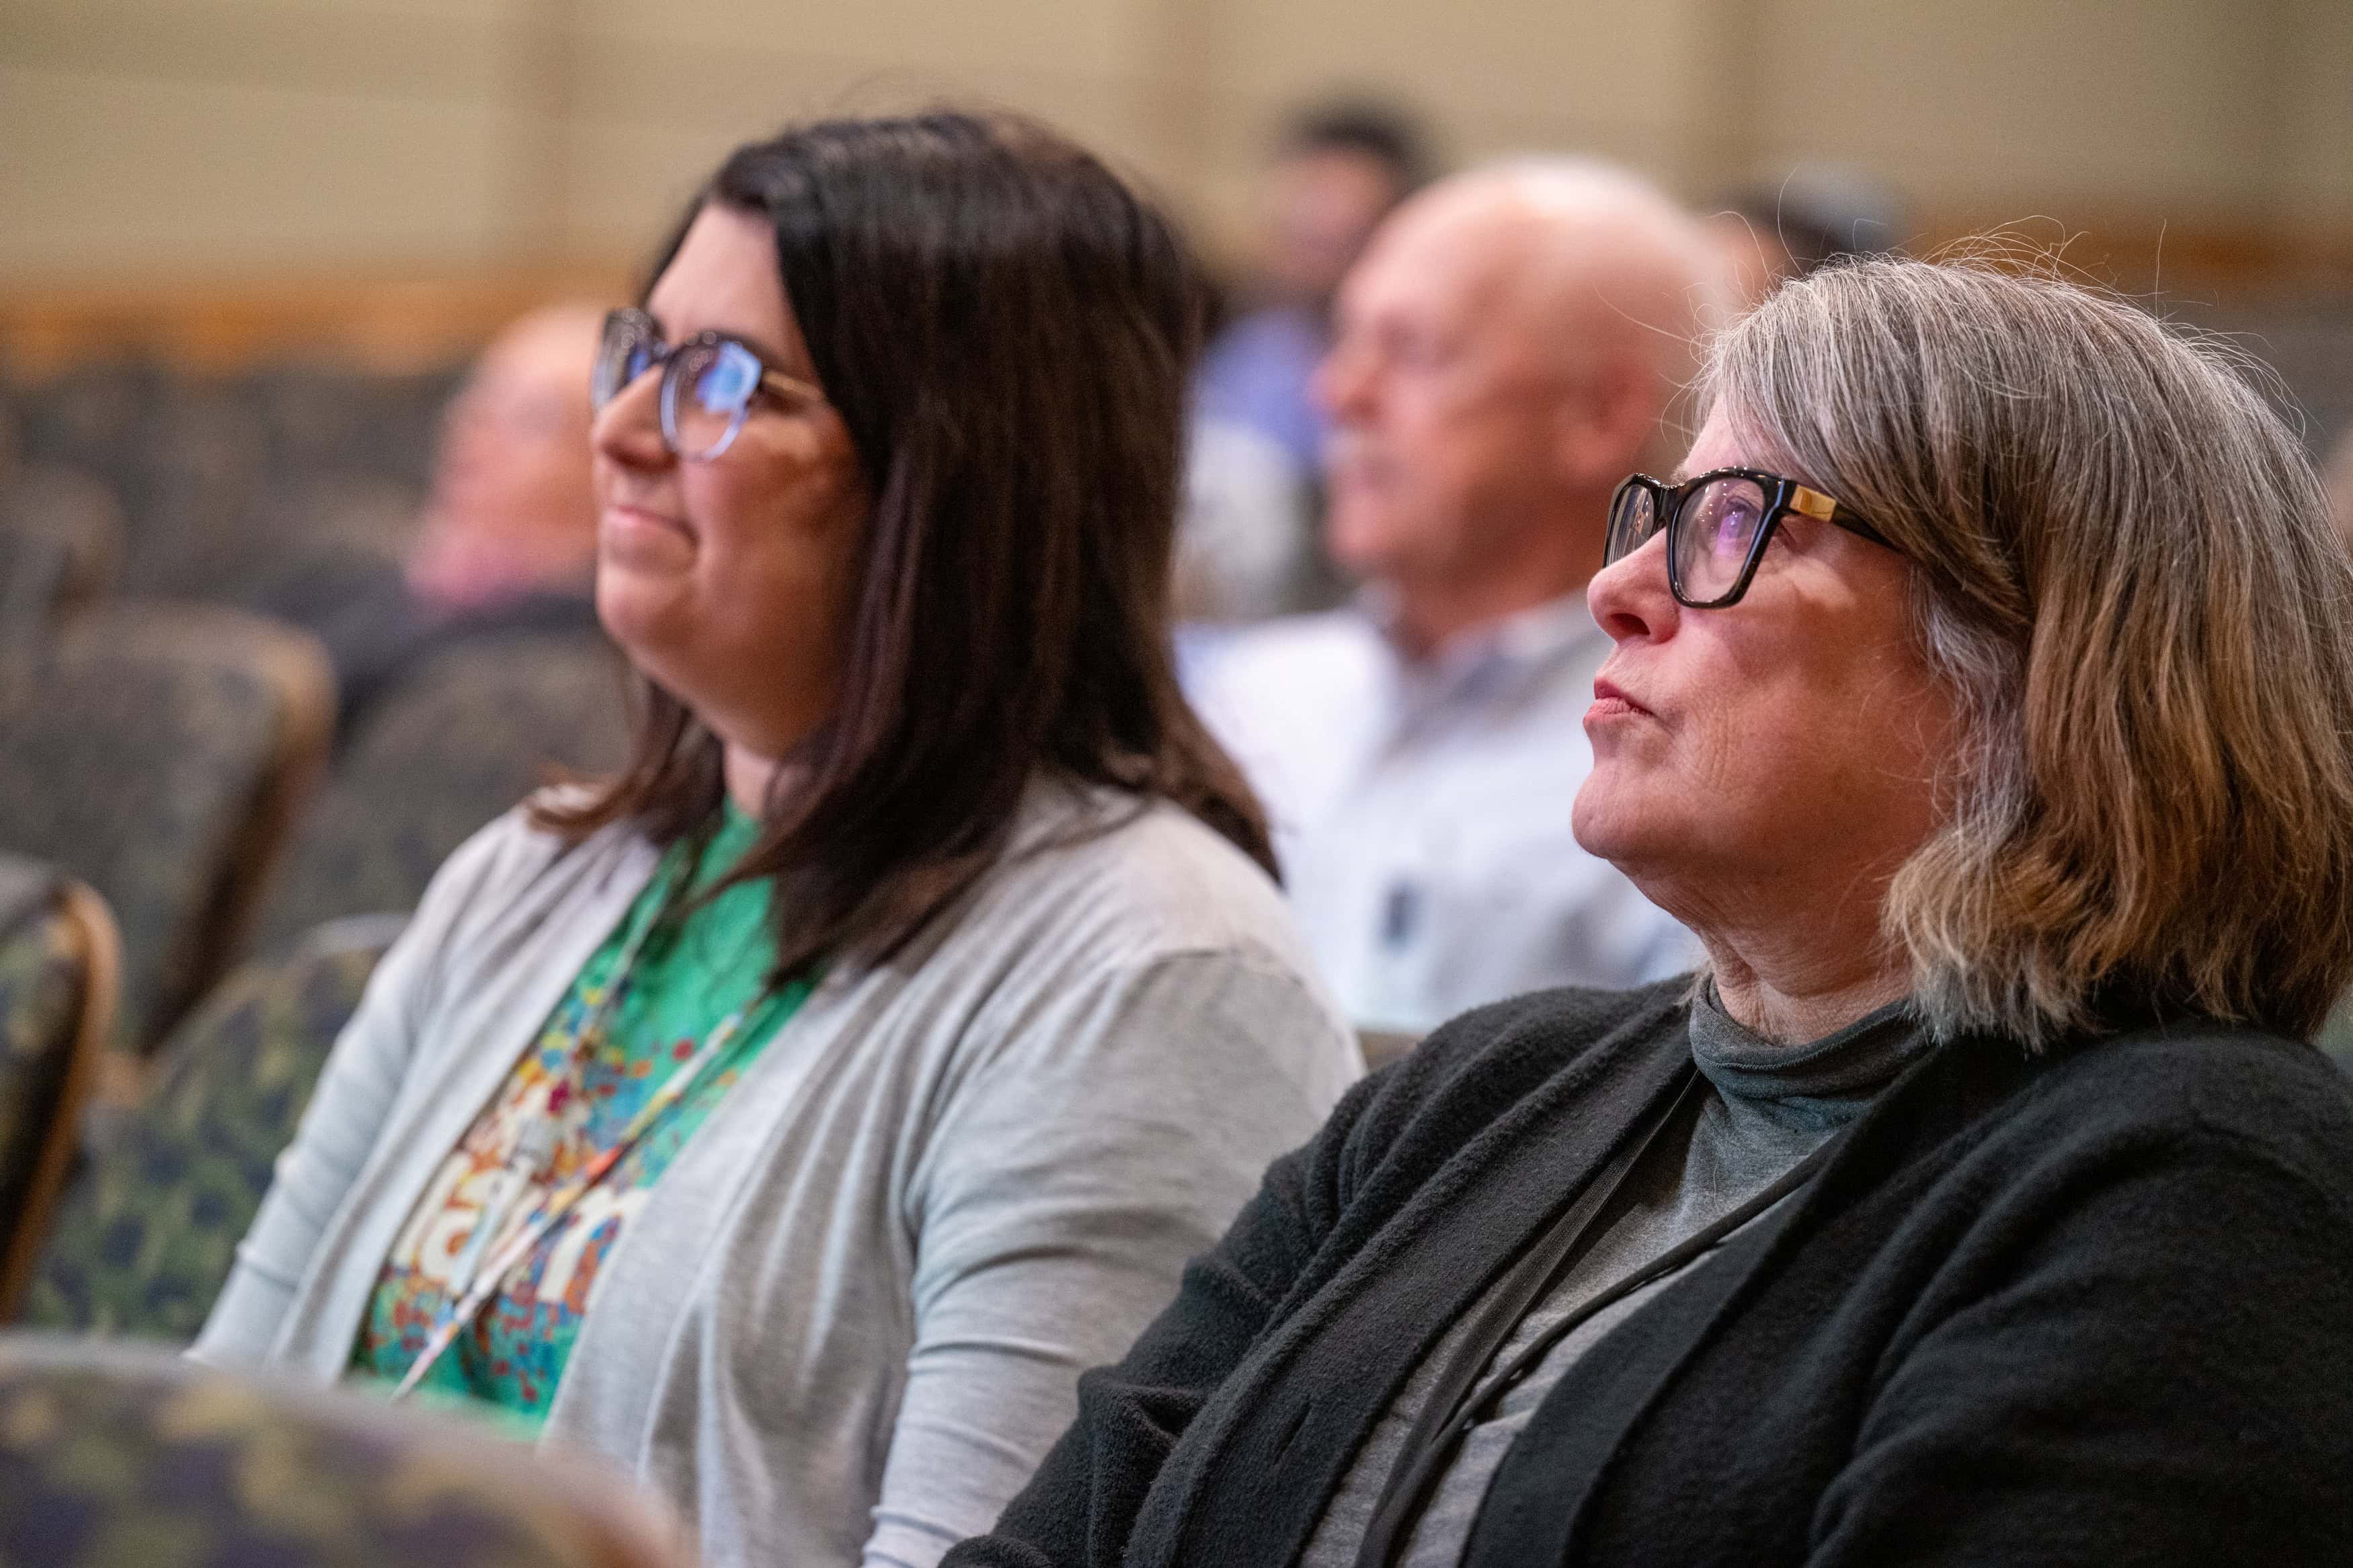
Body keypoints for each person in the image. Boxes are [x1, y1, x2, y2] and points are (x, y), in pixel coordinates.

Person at [948, 255, 2353, 1568]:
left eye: (1736, 522)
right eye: (1662, 517)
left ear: (2032, 648)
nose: (1616, 589)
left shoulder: (2199, 1179)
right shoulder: (1470, 1095)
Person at [196, 113, 1361, 1568]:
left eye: (726, 383)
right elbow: (212, 1427)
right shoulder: (535, 875)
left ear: (963, 475)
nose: (619, 428)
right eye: (648, 350)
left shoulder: (1159, 979)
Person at [1189, 159, 1716, 1036]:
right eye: (1344, 339)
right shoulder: (1248, 698)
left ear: (1598, 414)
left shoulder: (1691, 770)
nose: (1339, 394)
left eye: (1411, 350)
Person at [262, 304, 608, 737]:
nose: (474, 429)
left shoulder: (556, 645)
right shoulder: (346, 571)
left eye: (531, 418)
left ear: (608, 466)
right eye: (480, 398)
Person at [1178, 99, 1433, 621]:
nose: (1316, 231)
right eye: (1304, 211)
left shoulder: (1418, 378)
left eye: (1341, 227)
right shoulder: (1219, 332)